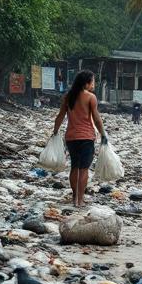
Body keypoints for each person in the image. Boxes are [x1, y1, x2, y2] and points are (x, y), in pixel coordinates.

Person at [52, 69, 107, 207]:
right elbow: (96, 119)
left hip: (71, 137)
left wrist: (55, 132)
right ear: (86, 83)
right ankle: (80, 200)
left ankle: (74, 197)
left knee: (74, 167)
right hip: (86, 137)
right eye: (92, 81)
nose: (94, 84)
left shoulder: (68, 96)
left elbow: (60, 116)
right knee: (83, 169)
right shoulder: (90, 97)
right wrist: (103, 134)